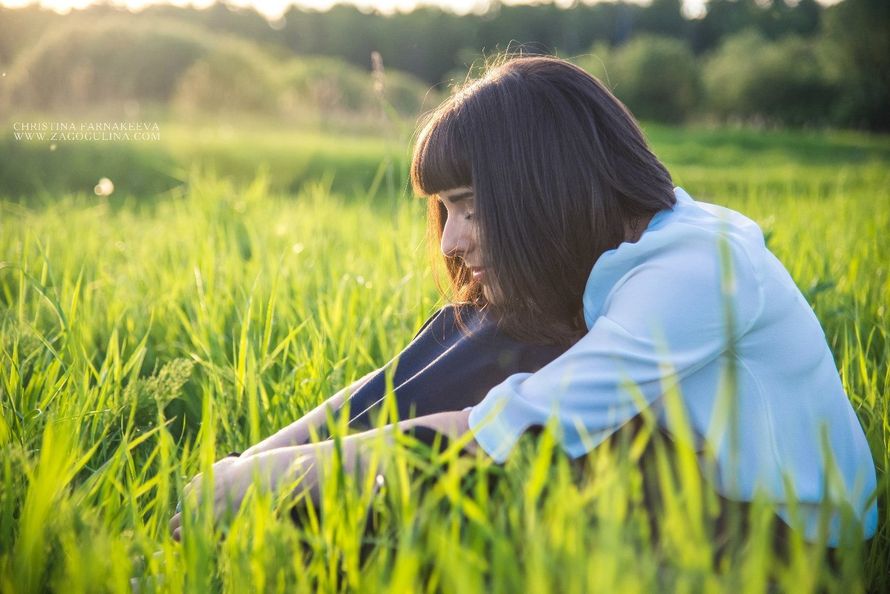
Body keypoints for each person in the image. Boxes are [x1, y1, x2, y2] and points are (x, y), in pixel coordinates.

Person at [170, 55, 878, 551]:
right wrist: (244, 467)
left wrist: (259, 481)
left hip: (787, 550)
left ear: (547, 187)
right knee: (486, 327)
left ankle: (271, 522)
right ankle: (238, 512)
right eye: (444, 212)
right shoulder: (621, 258)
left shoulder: (697, 268)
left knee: (521, 444)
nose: (450, 241)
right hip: (704, 502)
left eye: (470, 208)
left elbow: (509, 431)